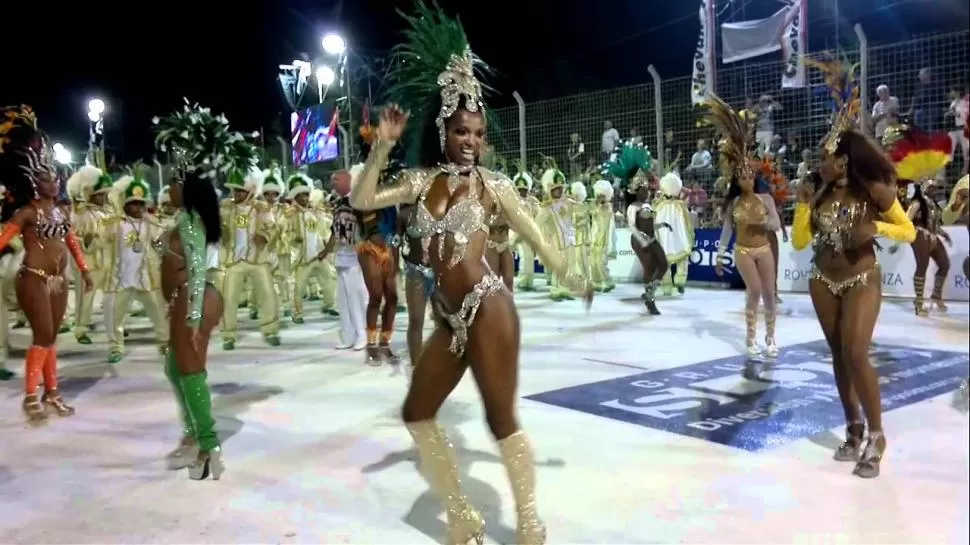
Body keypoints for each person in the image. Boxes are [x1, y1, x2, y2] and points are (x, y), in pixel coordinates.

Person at [350, 4, 592, 543]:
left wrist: (572, 277)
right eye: (462, 131)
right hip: (452, 320)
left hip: (489, 305)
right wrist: (382, 145)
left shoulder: (494, 186)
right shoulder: (418, 181)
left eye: (479, 133)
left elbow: (538, 238)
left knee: (499, 417)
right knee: (417, 411)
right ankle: (463, 517)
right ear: (444, 131)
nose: (472, 141)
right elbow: (364, 196)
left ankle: (529, 524)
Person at [792, 58, 916, 479]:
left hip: (862, 277)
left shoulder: (874, 187)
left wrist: (875, 227)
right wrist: (804, 204)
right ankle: (854, 427)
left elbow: (910, 231)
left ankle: (877, 435)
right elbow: (800, 242)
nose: (819, 162)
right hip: (822, 280)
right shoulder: (820, 192)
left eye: (825, 156)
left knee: (856, 352)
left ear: (843, 160)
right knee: (838, 356)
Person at [153, 102, 253, 480]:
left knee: (190, 369)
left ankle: (208, 445)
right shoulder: (188, 217)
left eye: (174, 183)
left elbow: (194, 268)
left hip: (195, 298)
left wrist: (192, 318)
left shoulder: (190, 220)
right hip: (192, 298)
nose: (168, 187)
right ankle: (194, 436)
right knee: (175, 367)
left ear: (189, 192)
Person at [0, 105, 93, 423]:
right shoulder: (26, 213)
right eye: (43, 178)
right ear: (33, 182)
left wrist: (84, 270)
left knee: (50, 337)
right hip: (34, 278)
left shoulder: (62, 213)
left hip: (58, 279)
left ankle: (52, 393)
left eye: (53, 177)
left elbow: (71, 243)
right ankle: (30, 395)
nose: (50, 182)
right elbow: (2, 241)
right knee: (42, 334)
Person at [708, 93, 782, 357]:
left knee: (770, 294)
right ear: (737, 180)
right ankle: (751, 338)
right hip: (742, 251)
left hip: (764, 249)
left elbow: (775, 224)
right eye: (741, 176)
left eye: (749, 175)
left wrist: (763, 221)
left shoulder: (765, 199)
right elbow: (727, 230)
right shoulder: (734, 204)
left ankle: (771, 337)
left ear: (755, 177)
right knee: (756, 290)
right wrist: (719, 255)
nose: (746, 179)